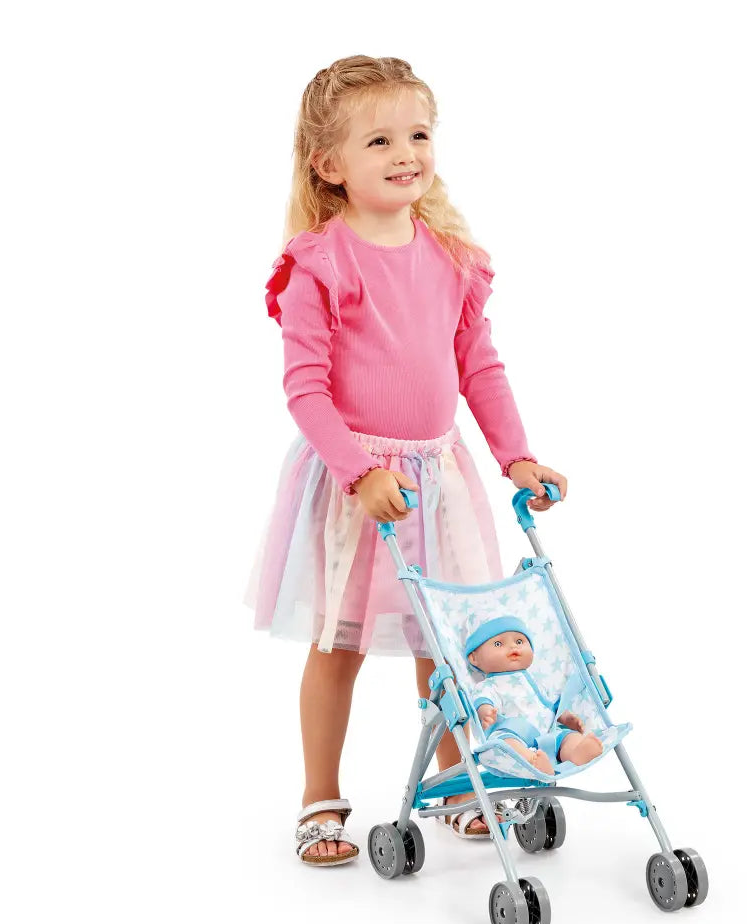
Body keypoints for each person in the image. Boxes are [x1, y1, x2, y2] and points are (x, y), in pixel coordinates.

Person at [244, 55, 569, 866]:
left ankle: (457, 783)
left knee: (447, 640)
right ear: (329, 165)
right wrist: (360, 473)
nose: (406, 154)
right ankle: (321, 797)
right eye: (380, 140)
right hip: (357, 486)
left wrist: (517, 458)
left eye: (418, 135)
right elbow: (305, 389)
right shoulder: (322, 264)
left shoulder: (452, 258)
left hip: (440, 478)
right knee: (340, 645)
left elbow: (479, 366)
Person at [465, 617, 603, 776]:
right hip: (513, 734)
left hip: (548, 732)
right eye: (498, 644)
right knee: (502, 744)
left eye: (519, 641)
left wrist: (566, 718)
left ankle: (577, 752)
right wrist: (486, 713)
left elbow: (552, 704)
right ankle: (532, 761)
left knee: (568, 737)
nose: (512, 646)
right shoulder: (487, 685)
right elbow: (482, 701)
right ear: (474, 658)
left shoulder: (535, 681)